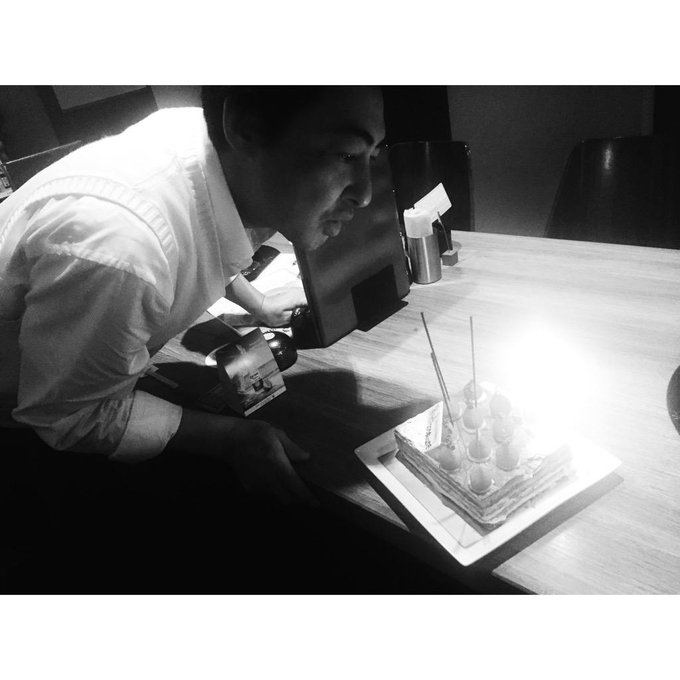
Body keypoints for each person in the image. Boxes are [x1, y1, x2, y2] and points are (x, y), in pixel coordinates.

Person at [0, 86, 393, 592]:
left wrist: (257, 304)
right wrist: (228, 437)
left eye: (373, 155)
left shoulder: (210, 149)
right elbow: (67, 415)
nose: (365, 192)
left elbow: (205, 229)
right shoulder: (120, 247)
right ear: (246, 127)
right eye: (346, 155)